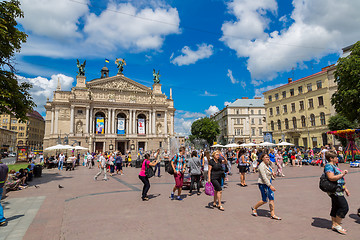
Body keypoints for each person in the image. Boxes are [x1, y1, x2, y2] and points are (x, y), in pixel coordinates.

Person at [324, 151, 350, 235]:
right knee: (344, 207)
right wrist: (342, 174)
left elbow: (340, 180)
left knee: (335, 206)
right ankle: (337, 225)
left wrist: (345, 189)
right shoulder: (328, 166)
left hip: (338, 189)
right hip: (334, 190)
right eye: (336, 157)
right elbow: (331, 178)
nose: (337, 158)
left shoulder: (333, 166)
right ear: (331, 158)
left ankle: (334, 223)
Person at [251, 154, 281, 220]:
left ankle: (273, 215)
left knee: (271, 198)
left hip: (269, 183)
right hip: (263, 184)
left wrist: (273, 174)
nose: (268, 158)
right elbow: (264, 177)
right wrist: (270, 186)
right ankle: (254, 208)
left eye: (268, 157)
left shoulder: (268, 164)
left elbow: (272, 167)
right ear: (262, 158)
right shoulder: (261, 166)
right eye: (266, 157)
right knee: (264, 200)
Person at [0, 156, 9, 226]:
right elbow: (6, 176)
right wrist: (3, 184)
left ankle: (1, 219)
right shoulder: (5, 166)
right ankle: (1, 218)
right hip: (1, 186)